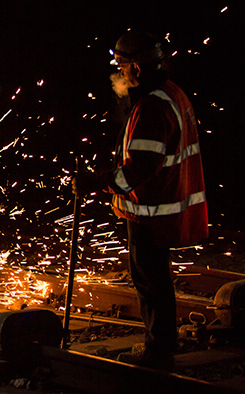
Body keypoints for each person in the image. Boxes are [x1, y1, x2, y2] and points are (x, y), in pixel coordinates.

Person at [74, 30, 208, 369]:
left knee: (150, 280)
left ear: (136, 67)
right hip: (164, 204)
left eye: (121, 65)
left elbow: (141, 168)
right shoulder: (170, 93)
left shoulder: (150, 107)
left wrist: (98, 182)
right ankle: (162, 344)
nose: (119, 73)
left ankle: (158, 350)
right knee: (155, 277)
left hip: (151, 210)